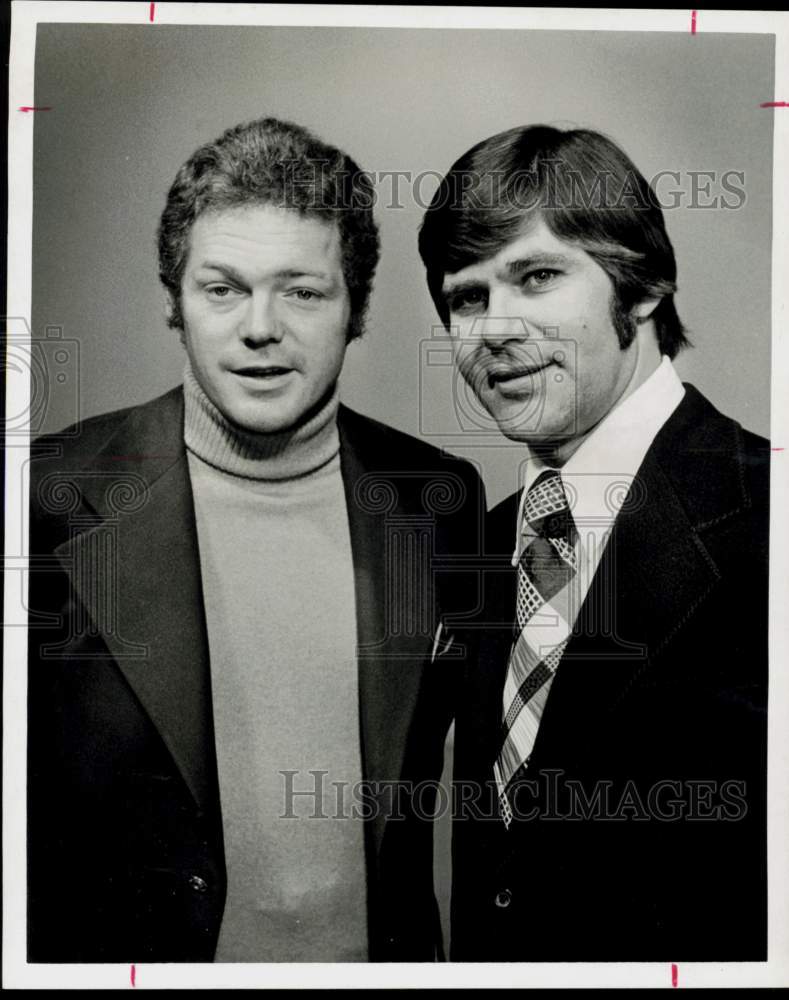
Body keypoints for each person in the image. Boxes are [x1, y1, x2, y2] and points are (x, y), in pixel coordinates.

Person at [27, 116, 484, 963]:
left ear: (356, 309)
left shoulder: (439, 501)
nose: (260, 327)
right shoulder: (47, 496)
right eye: (223, 288)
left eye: (302, 291)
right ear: (175, 300)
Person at [418, 124, 769, 960]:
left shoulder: (766, 514)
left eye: (536, 277)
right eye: (466, 297)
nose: (493, 329)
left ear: (641, 287)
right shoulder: (485, 541)